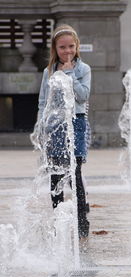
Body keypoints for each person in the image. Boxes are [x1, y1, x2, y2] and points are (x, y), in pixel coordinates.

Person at [36, 24, 91, 239]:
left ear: (76, 46)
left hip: (76, 123)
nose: (67, 51)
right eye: (62, 47)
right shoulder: (48, 72)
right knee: (56, 174)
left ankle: (81, 220)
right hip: (54, 126)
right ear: (55, 49)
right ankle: (58, 218)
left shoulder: (83, 70)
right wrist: (41, 125)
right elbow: (42, 101)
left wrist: (69, 74)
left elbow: (83, 96)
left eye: (70, 46)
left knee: (74, 174)